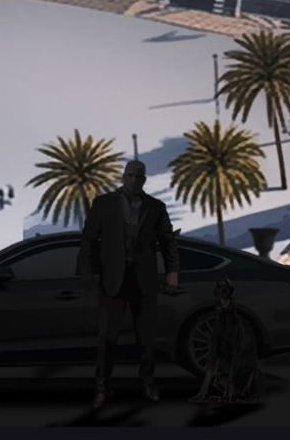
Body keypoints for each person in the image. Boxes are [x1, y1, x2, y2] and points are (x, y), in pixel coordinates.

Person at [78, 158, 179, 412]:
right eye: (130, 176)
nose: (134, 180)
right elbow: (88, 238)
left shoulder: (155, 207)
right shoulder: (104, 203)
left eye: (138, 176)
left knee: (146, 338)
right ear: (123, 177)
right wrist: (87, 273)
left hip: (143, 280)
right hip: (113, 280)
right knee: (107, 337)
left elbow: (168, 241)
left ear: (144, 179)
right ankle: (102, 387)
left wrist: (172, 272)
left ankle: (147, 382)